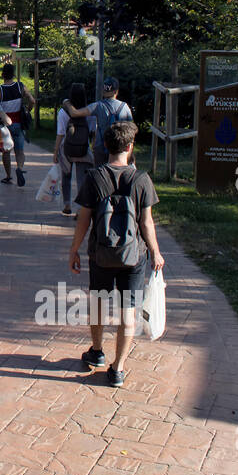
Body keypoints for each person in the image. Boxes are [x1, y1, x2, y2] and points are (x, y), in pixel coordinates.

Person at [68, 120, 164, 387]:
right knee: (127, 311)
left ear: (105, 146)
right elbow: (146, 222)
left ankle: (97, 351)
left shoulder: (94, 178)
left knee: (98, 302)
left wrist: (74, 250)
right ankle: (118, 368)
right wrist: (155, 252)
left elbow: (83, 220)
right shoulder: (142, 180)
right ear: (130, 147)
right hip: (134, 256)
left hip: (100, 253)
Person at [64, 76, 135, 168]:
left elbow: (74, 113)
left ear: (103, 91)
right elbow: (131, 132)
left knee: (101, 177)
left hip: (101, 148)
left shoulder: (98, 106)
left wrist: (67, 103)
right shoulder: (125, 107)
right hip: (121, 148)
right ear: (116, 91)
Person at [53, 82, 96, 217]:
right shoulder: (89, 111)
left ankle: (67, 204)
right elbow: (93, 132)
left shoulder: (63, 112)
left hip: (67, 149)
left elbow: (60, 133)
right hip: (83, 148)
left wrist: (55, 152)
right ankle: (80, 209)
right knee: (81, 180)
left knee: (66, 176)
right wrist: (92, 148)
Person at [0, 62, 35, 187]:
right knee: (20, 150)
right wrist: (28, 110)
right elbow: (32, 100)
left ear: (2, 75)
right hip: (18, 124)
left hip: (5, 125)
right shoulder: (20, 86)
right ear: (13, 74)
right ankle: (20, 168)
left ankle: (8, 176)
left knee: (6, 152)